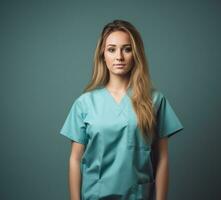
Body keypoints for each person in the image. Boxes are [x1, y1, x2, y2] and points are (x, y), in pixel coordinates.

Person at [60, 19, 184, 200]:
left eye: (127, 49)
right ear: (103, 54)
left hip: (138, 195)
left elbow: (162, 158)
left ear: (136, 54)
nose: (119, 56)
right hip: (95, 195)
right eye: (111, 49)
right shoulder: (85, 103)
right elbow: (75, 159)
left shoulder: (155, 100)